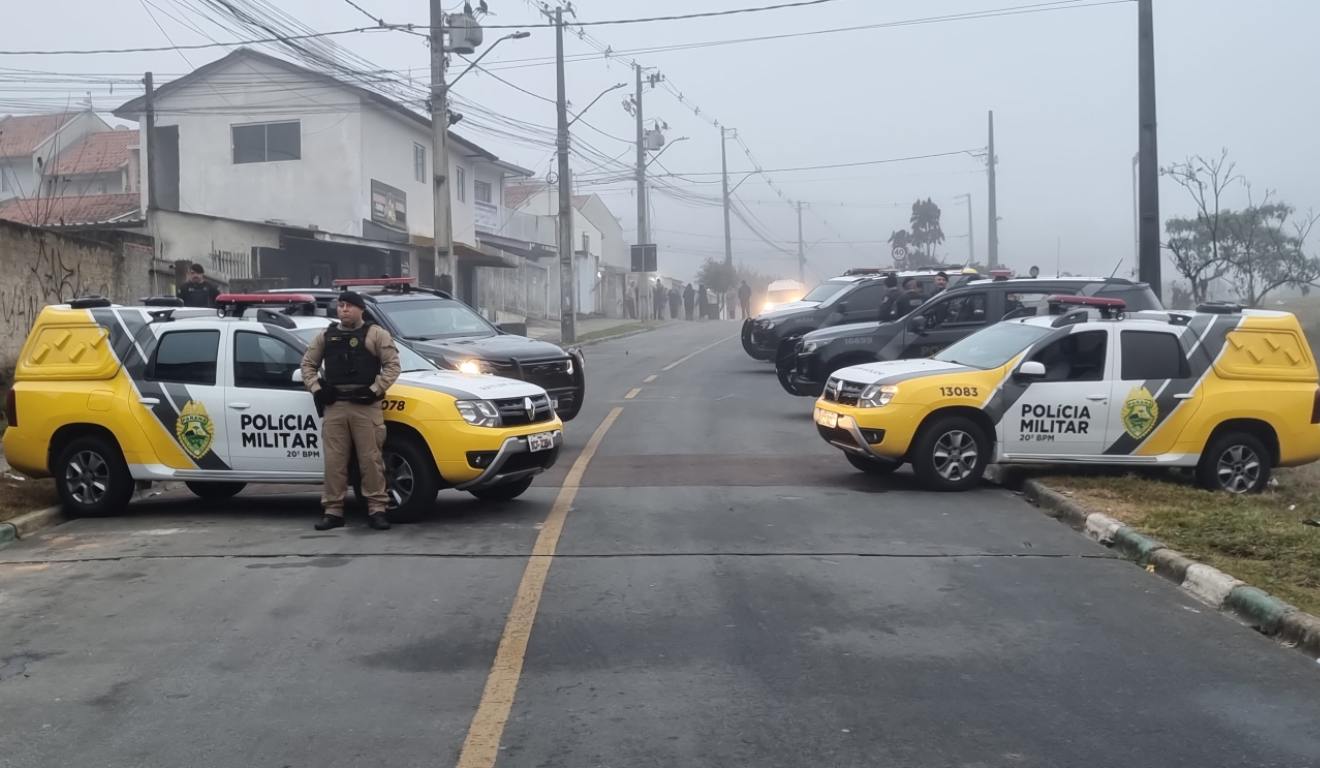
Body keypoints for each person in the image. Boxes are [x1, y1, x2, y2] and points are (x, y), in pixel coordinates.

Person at [301, 291, 401, 532]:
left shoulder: (376, 334)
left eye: (349, 306)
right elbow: (307, 365)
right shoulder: (326, 336)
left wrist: (375, 389)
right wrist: (317, 389)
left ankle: (377, 509)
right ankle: (333, 511)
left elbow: (393, 365)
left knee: (371, 460)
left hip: (365, 406)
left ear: (360, 309)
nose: (343, 309)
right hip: (335, 405)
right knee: (334, 462)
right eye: (341, 305)